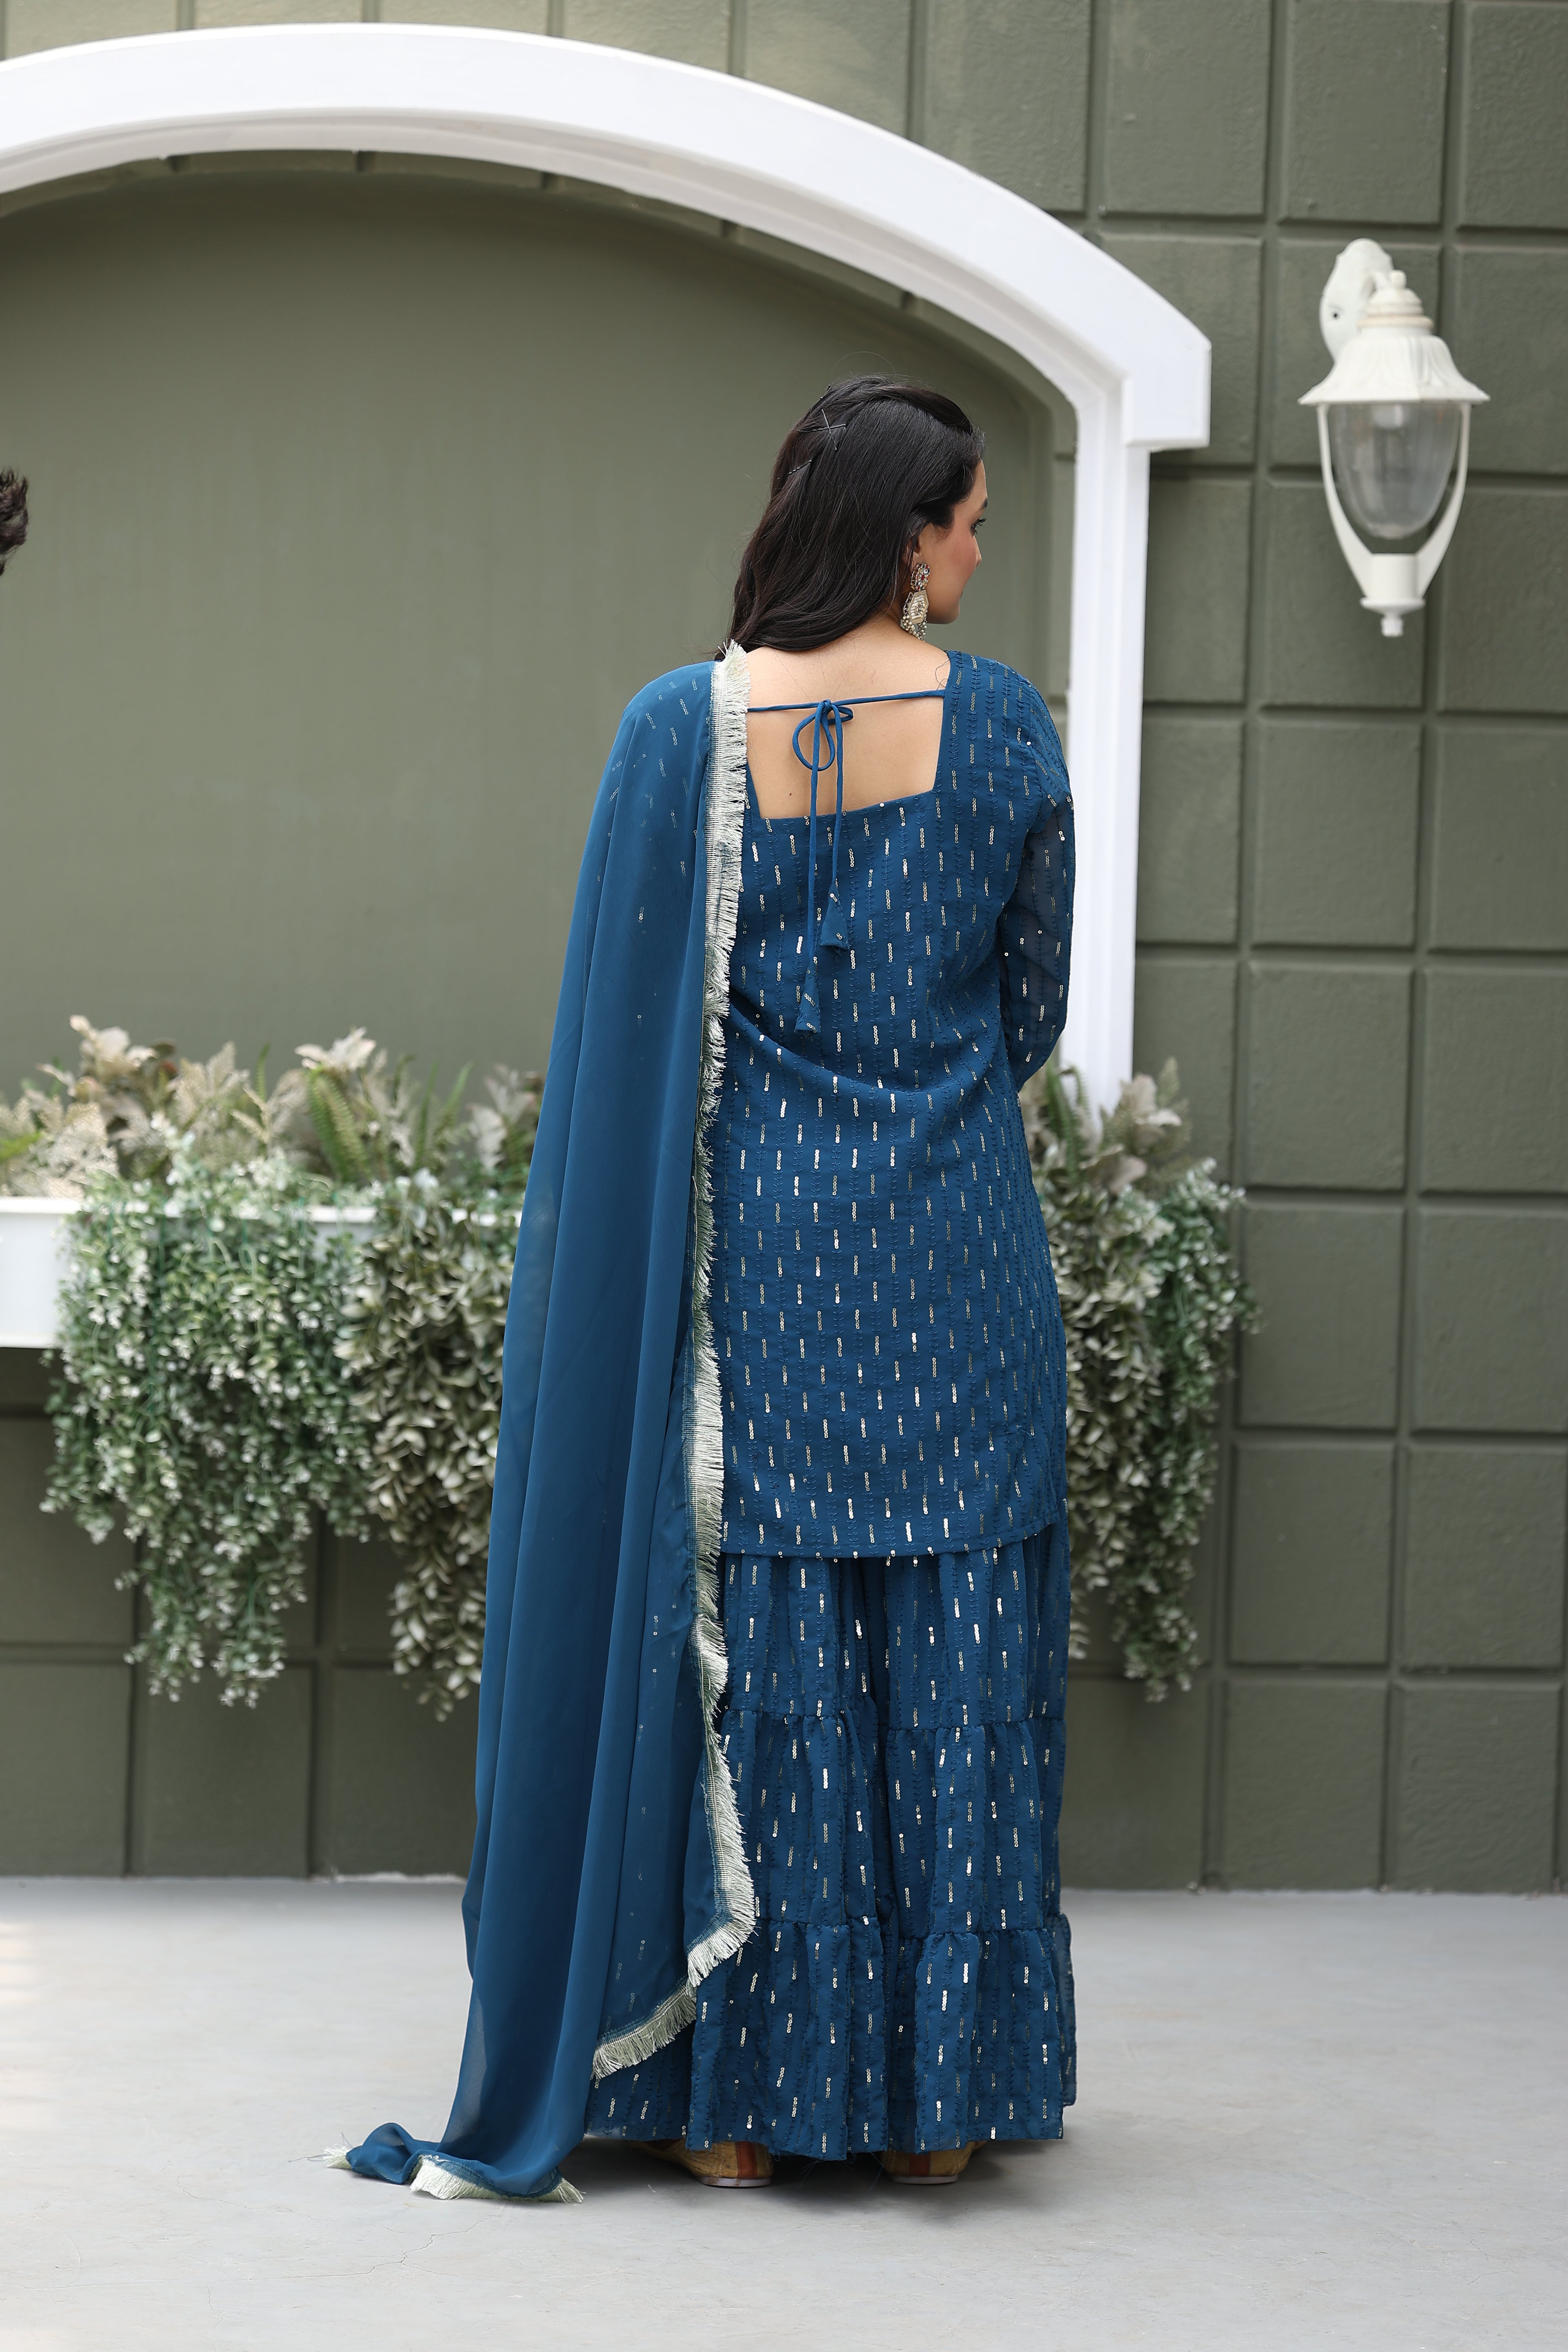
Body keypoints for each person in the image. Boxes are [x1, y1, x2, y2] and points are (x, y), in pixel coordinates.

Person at [339, 376, 1075, 2204]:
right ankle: (938, 2115)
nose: (981, 553)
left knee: (775, 1656)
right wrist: (916, 1096)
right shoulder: (1000, 729)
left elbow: (630, 1028)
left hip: (767, 1280)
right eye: (972, 524)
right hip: (960, 1261)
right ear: (907, 536)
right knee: (956, 1649)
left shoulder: (685, 729)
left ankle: (740, 2108)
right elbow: (1032, 1007)